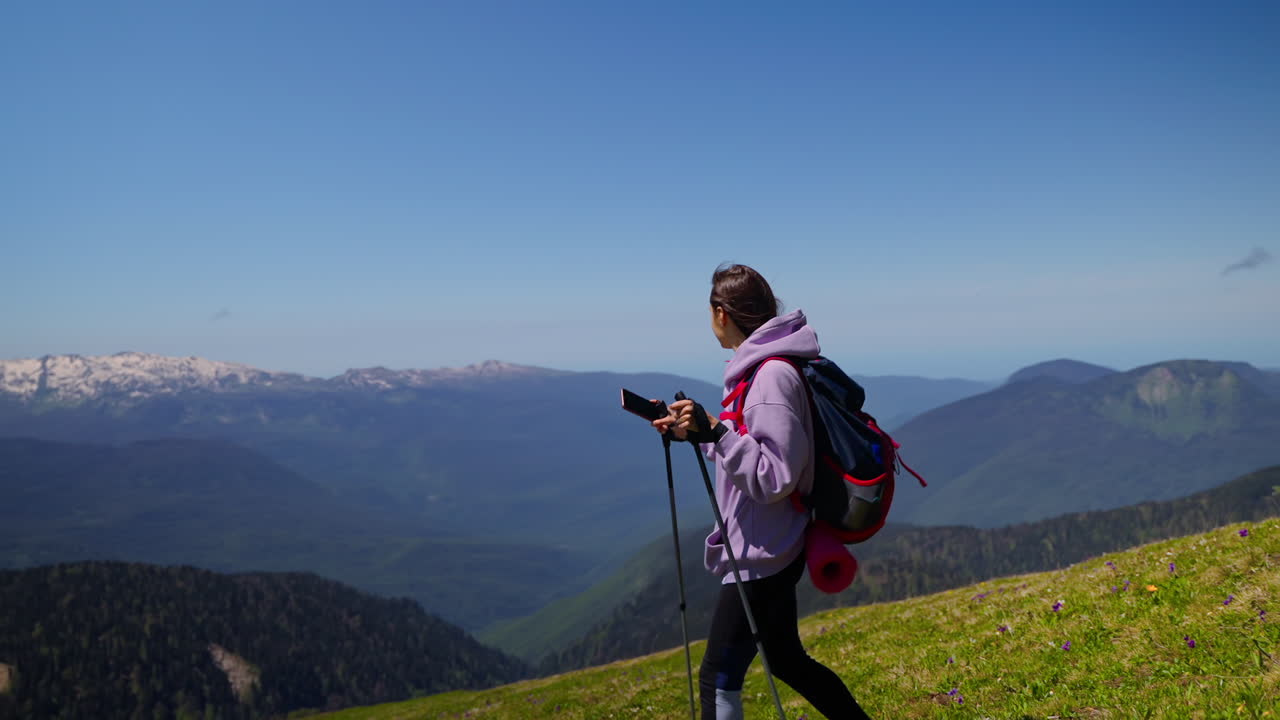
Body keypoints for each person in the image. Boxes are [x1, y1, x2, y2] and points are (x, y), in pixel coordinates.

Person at [653, 264, 872, 720]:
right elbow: (748, 450)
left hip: (761, 552)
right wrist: (697, 434)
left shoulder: (769, 377)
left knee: (718, 679)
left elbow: (774, 477)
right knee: (786, 660)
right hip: (775, 540)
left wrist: (716, 432)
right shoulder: (765, 368)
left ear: (720, 314)